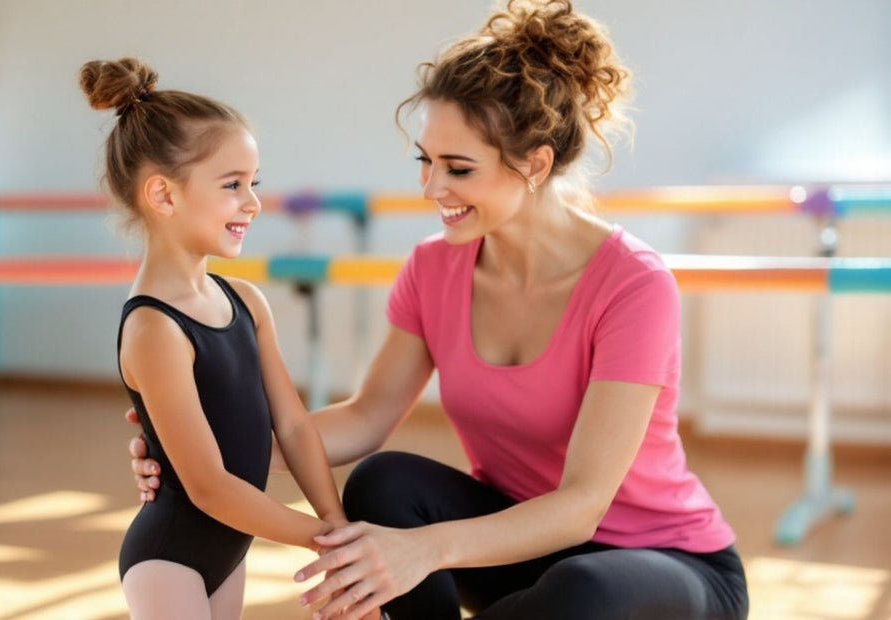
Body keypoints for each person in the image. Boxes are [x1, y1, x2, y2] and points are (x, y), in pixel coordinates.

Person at [127, 1, 749, 618]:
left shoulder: (633, 286)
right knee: (384, 482)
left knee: (588, 588)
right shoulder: (433, 268)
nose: (431, 189)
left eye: (458, 168)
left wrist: (423, 550)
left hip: (661, 568)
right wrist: (197, 456)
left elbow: (583, 505)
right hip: (515, 550)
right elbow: (367, 417)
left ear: (534, 164)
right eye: (426, 161)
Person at [82, 58, 353, 620]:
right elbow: (208, 487)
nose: (252, 203)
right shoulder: (154, 328)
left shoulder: (247, 302)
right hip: (170, 559)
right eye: (232, 185)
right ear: (163, 196)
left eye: (254, 184)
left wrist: (339, 525)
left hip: (229, 548)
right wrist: (321, 540)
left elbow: (296, 426)